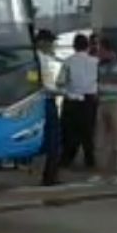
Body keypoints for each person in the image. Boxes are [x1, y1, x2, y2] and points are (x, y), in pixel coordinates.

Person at [93, 33, 117, 183]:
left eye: (101, 49)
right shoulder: (99, 66)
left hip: (116, 103)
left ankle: (116, 172)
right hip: (102, 103)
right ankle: (101, 172)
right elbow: (97, 83)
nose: (99, 52)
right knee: (101, 139)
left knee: (116, 139)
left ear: (109, 50)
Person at [58, 32, 98, 170]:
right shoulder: (95, 62)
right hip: (89, 100)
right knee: (88, 131)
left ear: (74, 46)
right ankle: (89, 159)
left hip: (72, 100)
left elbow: (60, 81)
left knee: (70, 132)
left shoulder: (68, 61)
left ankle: (66, 159)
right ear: (87, 46)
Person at [34, 29, 62, 186]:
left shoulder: (39, 58)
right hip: (46, 100)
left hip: (43, 100)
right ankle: (51, 176)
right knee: (53, 139)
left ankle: (49, 174)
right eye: (51, 42)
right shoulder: (41, 59)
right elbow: (44, 85)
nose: (53, 45)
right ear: (43, 43)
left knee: (49, 139)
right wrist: (61, 92)